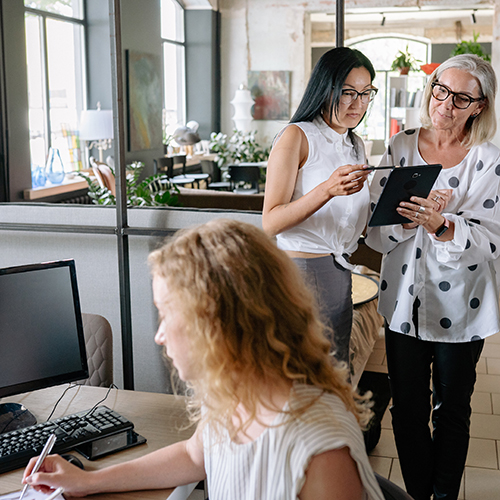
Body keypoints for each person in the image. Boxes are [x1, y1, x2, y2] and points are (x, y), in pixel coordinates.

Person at [22, 219, 384, 500]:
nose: (159, 335)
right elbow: (196, 455)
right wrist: (88, 480)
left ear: (216, 323)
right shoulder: (236, 395)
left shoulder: (319, 447)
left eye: (166, 314)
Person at [365, 54, 500, 500]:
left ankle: (444, 496)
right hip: (403, 300)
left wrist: (443, 224)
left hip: (463, 305)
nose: (446, 104)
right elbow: (376, 225)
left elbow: (493, 240)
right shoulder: (401, 146)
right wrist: (406, 221)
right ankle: (417, 494)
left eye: (461, 97)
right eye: (441, 90)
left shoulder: (488, 159)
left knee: (452, 410)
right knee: (406, 409)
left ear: (479, 106)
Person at [262, 47, 377, 367]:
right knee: (301, 377)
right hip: (301, 272)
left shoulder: (356, 144)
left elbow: (355, 220)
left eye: (366, 93)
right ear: (326, 89)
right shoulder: (296, 136)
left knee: (333, 375)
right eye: (348, 93)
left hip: (341, 270)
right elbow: (270, 222)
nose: (358, 103)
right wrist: (327, 189)